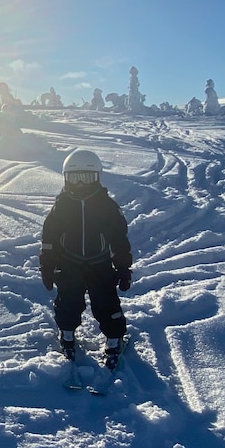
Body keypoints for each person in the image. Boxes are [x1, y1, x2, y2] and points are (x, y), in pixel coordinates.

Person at [39, 149, 133, 362]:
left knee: (107, 303)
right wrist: (46, 265)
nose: (81, 185)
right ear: (66, 178)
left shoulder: (107, 206)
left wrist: (123, 268)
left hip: (99, 263)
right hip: (69, 263)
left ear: (97, 177)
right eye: (75, 178)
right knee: (68, 302)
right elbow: (49, 238)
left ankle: (113, 339)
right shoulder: (61, 206)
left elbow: (119, 240)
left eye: (86, 178)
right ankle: (68, 335)